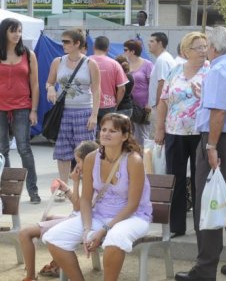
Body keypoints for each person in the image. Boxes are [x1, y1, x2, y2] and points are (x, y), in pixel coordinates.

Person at [175, 27, 226, 281]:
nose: (206, 48)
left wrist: (210, 146)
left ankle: (205, 268)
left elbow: (219, 112)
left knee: (207, 203)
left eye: (208, 44)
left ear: (216, 47)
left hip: (218, 141)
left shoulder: (219, 70)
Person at [43, 113, 152, 281]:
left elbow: (133, 205)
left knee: (115, 238)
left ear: (125, 136)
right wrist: (87, 230)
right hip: (99, 215)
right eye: (103, 129)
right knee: (54, 237)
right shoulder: (91, 158)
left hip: (132, 217)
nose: (106, 134)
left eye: (113, 131)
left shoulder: (133, 160)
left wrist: (103, 230)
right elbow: (86, 199)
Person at [155, 32, 210, 238]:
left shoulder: (210, 71)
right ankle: (177, 225)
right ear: (186, 51)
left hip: (199, 132)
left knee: (199, 179)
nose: (203, 51)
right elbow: (163, 100)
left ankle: (201, 224)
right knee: (175, 178)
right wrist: (160, 128)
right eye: (199, 47)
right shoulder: (175, 70)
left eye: (205, 46)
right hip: (174, 131)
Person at [19, 140, 99, 281]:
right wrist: (68, 187)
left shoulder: (92, 178)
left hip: (83, 221)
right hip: (80, 218)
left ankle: (31, 276)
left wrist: (73, 183)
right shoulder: (91, 175)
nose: (76, 165)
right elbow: (78, 208)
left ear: (89, 160)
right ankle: (56, 264)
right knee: (48, 218)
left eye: (78, 161)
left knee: (25, 233)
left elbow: (78, 208)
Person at [46, 29, 100, 194]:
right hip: (63, 112)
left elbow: (97, 90)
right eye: (63, 41)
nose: (64, 44)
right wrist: (50, 89)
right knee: (62, 151)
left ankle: (87, 188)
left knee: (86, 152)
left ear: (78, 43)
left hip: (84, 110)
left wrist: (94, 115)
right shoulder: (58, 61)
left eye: (67, 41)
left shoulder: (90, 63)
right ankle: (63, 187)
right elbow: (49, 82)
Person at [0, 18, 41, 204]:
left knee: (24, 148)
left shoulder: (28, 54)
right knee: (2, 150)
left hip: (23, 106)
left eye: (19, 31)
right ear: (4, 32)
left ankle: (33, 191)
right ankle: (7, 192)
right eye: (13, 31)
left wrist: (34, 109)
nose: (17, 34)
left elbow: (35, 84)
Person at [90, 36, 128, 129]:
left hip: (89, 104)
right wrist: (116, 103)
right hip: (108, 104)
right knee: (106, 134)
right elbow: (122, 89)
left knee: (89, 134)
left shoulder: (85, 62)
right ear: (108, 49)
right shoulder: (115, 64)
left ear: (93, 47)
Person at [123, 39, 154, 145]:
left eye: (125, 49)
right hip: (128, 105)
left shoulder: (147, 64)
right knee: (128, 133)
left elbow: (152, 85)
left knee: (142, 135)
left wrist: (149, 102)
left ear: (132, 51)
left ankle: (144, 158)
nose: (124, 52)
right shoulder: (125, 64)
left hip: (143, 106)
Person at [148, 32, 176, 139]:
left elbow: (162, 83)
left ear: (160, 43)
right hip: (161, 106)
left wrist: (158, 106)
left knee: (156, 140)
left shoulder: (162, 60)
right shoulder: (164, 58)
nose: (149, 44)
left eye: (152, 41)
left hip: (160, 107)